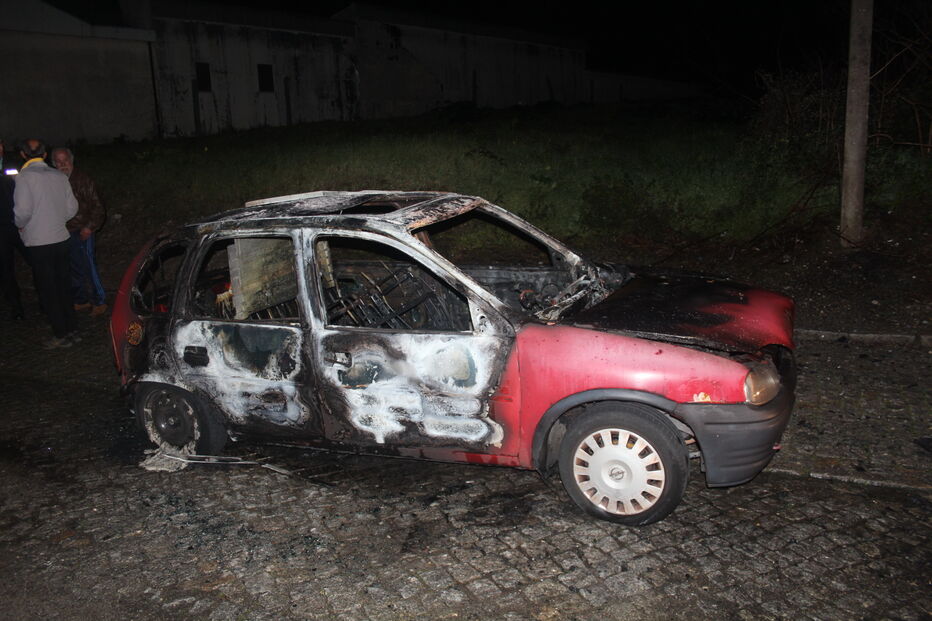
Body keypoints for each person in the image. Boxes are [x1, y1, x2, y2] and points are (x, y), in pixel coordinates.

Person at [13, 139, 79, 348]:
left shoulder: (24, 178)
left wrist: (20, 225)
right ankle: (72, 328)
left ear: (23, 155)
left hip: (39, 242)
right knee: (64, 286)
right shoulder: (58, 175)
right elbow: (72, 208)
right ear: (44, 155)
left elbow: (22, 211)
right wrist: (57, 219)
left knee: (48, 289)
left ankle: (60, 334)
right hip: (61, 239)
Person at [51, 147, 107, 316]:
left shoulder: (83, 180)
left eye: (65, 161)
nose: (62, 165)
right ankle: (80, 299)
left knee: (88, 266)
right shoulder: (55, 181)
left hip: (82, 230)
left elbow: (98, 207)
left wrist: (89, 227)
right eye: (58, 162)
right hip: (65, 231)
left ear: (71, 160)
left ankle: (99, 301)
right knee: (73, 268)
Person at [0, 138, 27, 319]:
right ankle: (16, 306)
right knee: (5, 268)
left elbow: (24, 189)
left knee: (36, 260)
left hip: (19, 222)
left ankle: (46, 301)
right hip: (1, 229)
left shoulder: (13, 165)